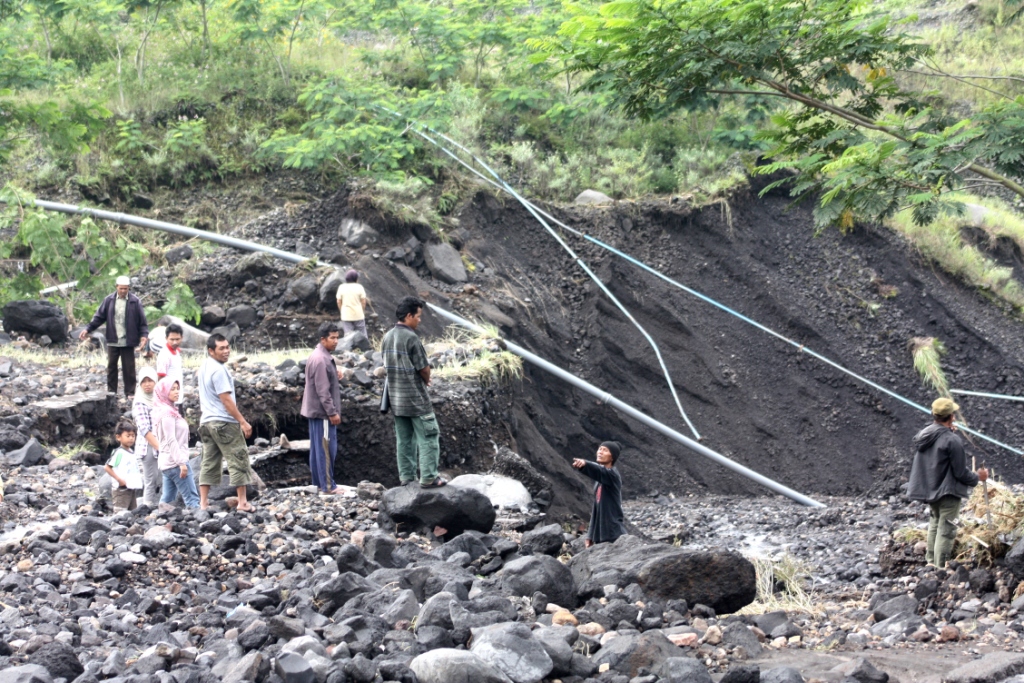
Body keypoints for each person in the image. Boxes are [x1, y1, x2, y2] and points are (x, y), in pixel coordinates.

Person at [908, 397, 988, 568]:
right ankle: (941, 567)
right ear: (951, 416)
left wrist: (949, 433)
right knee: (946, 531)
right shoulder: (952, 440)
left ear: (934, 415)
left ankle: (931, 563)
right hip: (947, 492)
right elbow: (960, 472)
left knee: (935, 525)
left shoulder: (925, 434)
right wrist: (978, 478)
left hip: (930, 489)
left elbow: (939, 450)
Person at [381, 296, 445, 488]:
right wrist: (427, 379)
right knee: (428, 436)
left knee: (404, 440)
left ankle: (407, 478)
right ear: (409, 316)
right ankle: (429, 477)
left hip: (396, 399)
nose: (420, 320)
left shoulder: (387, 337)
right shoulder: (411, 338)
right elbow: (424, 368)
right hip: (415, 399)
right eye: (418, 316)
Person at [197, 333, 255, 511]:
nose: (226, 351)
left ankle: (203, 503)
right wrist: (243, 422)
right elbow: (226, 399)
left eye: (227, 347)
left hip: (206, 422)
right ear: (211, 351)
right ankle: (242, 502)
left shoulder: (204, 366)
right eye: (221, 348)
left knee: (209, 461)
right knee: (238, 458)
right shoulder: (219, 370)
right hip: (223, 422)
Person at [80, 276, 149, 398]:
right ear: (116, 287)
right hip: (113, 339)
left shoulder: (135, 301)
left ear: (129, 288)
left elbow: (142, 321)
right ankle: (112, 391)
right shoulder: (109, 300)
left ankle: (130, 392)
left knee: (129, 367)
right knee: (111, 366)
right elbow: (99, 317)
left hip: (128, 340)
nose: (123, 291)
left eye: (125, 289)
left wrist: (143, 335)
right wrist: (87, 329)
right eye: (121, 288)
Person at [302, 321, 344, 494]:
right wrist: (332, 413)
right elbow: (322, 391)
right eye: (332, 338)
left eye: (337, 338)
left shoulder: (320, 355)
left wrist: (335, 373)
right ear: (323, 339)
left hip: (315, 412)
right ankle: (328, 486)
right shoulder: (321, 360)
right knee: (326, 449)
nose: (336, 341)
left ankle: (318, 484)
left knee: (317, 449)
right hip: (322, 413)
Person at [153, 377, 200, 508]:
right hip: (175, 463)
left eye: (177, 389)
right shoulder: (167, 414)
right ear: (163, 392)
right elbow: (171, 440)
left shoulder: (168, 410)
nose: (176, 392)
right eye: (172, 389)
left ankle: (160, 521)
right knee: (192, 499)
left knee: (167, 500)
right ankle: (199, 523)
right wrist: (182, 463)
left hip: (167, 463)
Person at [573, 441, 627, 548]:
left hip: (614, 532)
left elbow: (599, 470)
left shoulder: (612, 475)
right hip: (602, 533)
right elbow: (596, 509)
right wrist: (590, 535)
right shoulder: (599, 481)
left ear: (612, 457)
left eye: (605, 450)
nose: (600, 452)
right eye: (600, 449)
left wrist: (585, 464)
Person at [132, 367, 163, 506]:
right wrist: (159, 447)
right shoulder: (140, 403)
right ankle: (147, 507)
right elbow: (145, 429)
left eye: (150, 380)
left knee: (161, 477)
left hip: (160, 441)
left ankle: (160, 504)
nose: (147, 384)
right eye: (143, 381)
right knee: (150, 479)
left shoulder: (160, 398)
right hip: (148, 445)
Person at [105, 421, 143, 510]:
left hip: (131, 487)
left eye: (133, 436)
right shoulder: (119, 453)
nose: (131, 438)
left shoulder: (132, 452)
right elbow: (107, 467)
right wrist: (119, 480)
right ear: (118, 437)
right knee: (120, 514)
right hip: (121, 489)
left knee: (132, 513)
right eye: (128, 436)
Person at [336, 269, 369, 337]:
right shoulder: (359, 287)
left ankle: (349, 348)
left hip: (346, 316)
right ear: (356, 279)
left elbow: (339, 301)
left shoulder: (341, 287)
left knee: (348, 337)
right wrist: (362, 311)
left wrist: (342, 311)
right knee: (362, 336)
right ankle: (365, 347)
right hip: (358, 315)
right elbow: (363, 301)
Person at [156, 323, 184, 403]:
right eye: (172, 339)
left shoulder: (177, 352)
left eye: (177, 339)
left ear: (182, 338)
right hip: (170, 398)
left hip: (177, 395)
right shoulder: (165, 354)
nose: (175, 342)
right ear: (166, 338)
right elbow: (161, 377)